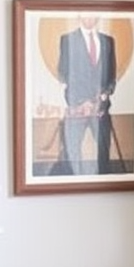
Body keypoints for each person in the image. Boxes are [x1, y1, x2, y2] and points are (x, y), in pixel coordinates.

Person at [56, 13, 118, 173]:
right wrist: (81, 102)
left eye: (93, 15)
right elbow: (63, 72)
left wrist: (103, 95)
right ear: (79, 16)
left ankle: (104, 186)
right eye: (86, 15)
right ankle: (73, 187)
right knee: (72, 151)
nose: (90, 18)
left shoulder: (108, 41)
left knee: (104, 152)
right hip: (77, 107)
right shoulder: (67, 40)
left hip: (101, 108)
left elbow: (112, 75)